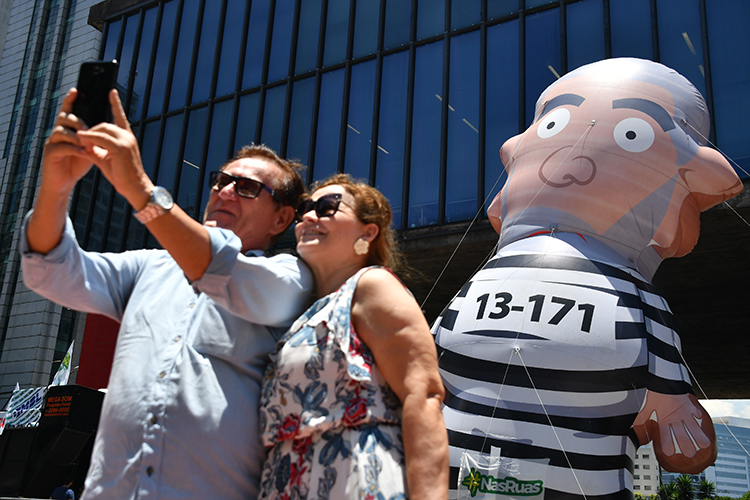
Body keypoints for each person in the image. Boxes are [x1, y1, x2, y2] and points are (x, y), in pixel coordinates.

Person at [21, 88, 313, 500]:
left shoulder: (290, 280)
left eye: (246, 187)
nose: (225, 191)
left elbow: (220, 267)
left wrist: (139, 187)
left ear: (282, 218)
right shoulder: (152, 267)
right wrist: (55, 186)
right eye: (221, 180)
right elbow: (52, 273)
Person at [257, 174, 449, 500]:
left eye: (327, 207)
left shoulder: (371, 285)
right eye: (305, 208)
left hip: (356, 479)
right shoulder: (305, 310)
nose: (308, 216)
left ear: (368, 232)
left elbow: (424, 394)